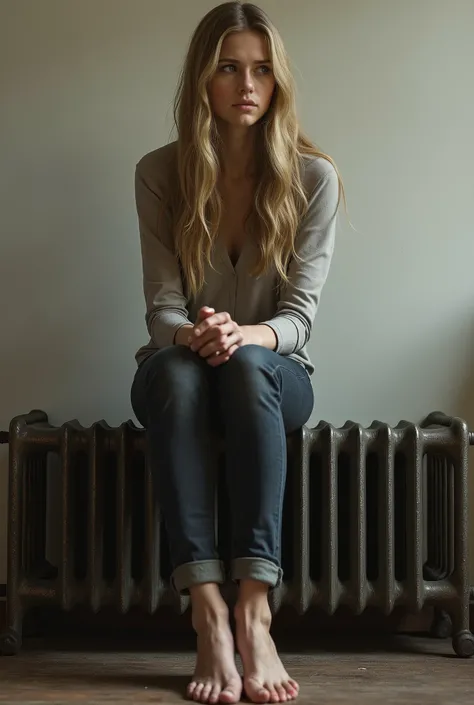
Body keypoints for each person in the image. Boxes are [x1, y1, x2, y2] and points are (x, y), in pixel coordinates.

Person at [131, 2, 342, 702]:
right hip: (181, 368)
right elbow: (162, 307)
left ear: (277, 81)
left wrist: (242, 335)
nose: (246, 84)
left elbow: (300, 320)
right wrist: (195, 333)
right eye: (228, 68)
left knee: (250, 365)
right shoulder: (160, 174)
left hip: (276, 375)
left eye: (260, 69)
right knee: (179, 376)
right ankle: (209, 612)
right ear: (202, 81)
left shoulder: (314, 180)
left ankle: (255, 607)